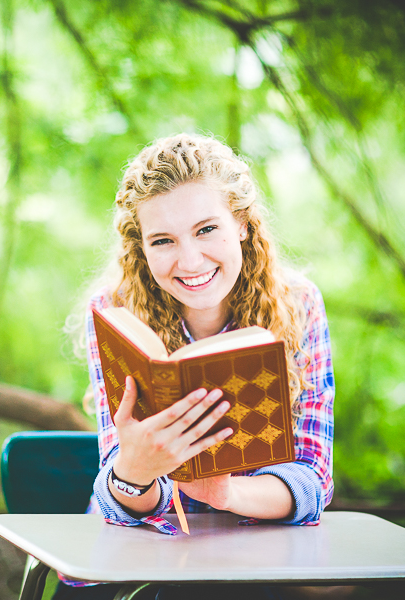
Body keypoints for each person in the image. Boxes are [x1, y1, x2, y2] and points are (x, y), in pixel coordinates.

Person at [55, 133, 335, 599]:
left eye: (206, 229)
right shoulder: (116, 313)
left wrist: (226, 495)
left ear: (242, 223)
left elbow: (312, 477)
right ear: (142, 248)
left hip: (249, 550)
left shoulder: (299, 305)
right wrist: (137, 469)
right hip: (138, 552)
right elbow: (117, 502)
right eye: (163, 240)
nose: (189, 260)